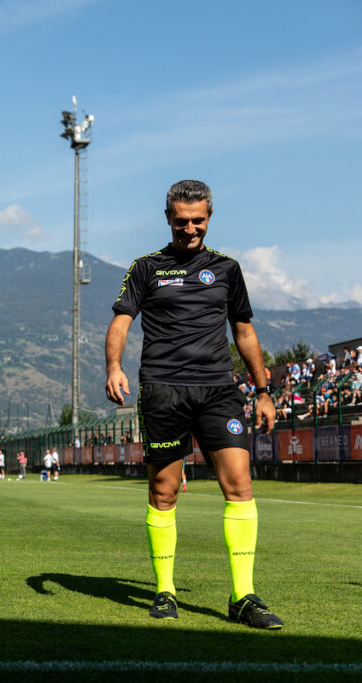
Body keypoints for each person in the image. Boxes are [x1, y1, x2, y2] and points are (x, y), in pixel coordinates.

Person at [105, 179, 282, 629]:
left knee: (240, 485)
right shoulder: (146, 268)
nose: (189, 229)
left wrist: (263, 390)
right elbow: (121, 321)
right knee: (164, 492)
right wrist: (114, 366)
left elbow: (244, 331)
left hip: (219, 390)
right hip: (163, 390)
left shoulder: (226, 269)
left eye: (197, 221)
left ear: (209, 217)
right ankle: (165, 591)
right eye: (181, 221)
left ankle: (243, 596)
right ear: (168, 219)